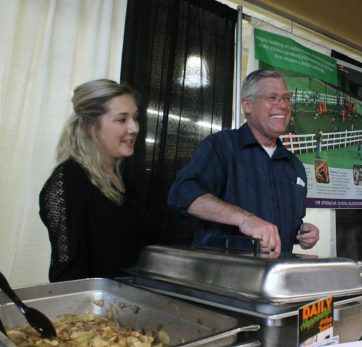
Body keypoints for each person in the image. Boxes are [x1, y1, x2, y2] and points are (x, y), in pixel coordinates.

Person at [168, 70, 319, 256]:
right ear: (247, 105)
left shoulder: (294, 165)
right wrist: (244, 219)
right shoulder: (221, 147)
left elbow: (286, 224)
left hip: (276, 278)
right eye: (272, 97)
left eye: (286, 98)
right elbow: (182, 194)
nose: (283, 106)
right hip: (224, 278)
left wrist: (302, 232)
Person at [39, 79, 152, 282]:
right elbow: (69, 276)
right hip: (95, 310)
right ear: (91, 127)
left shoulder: (124, 183)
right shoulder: (70, 180)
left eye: (135, 118)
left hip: (127, 305)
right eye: (121, 120)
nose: (134, 128)